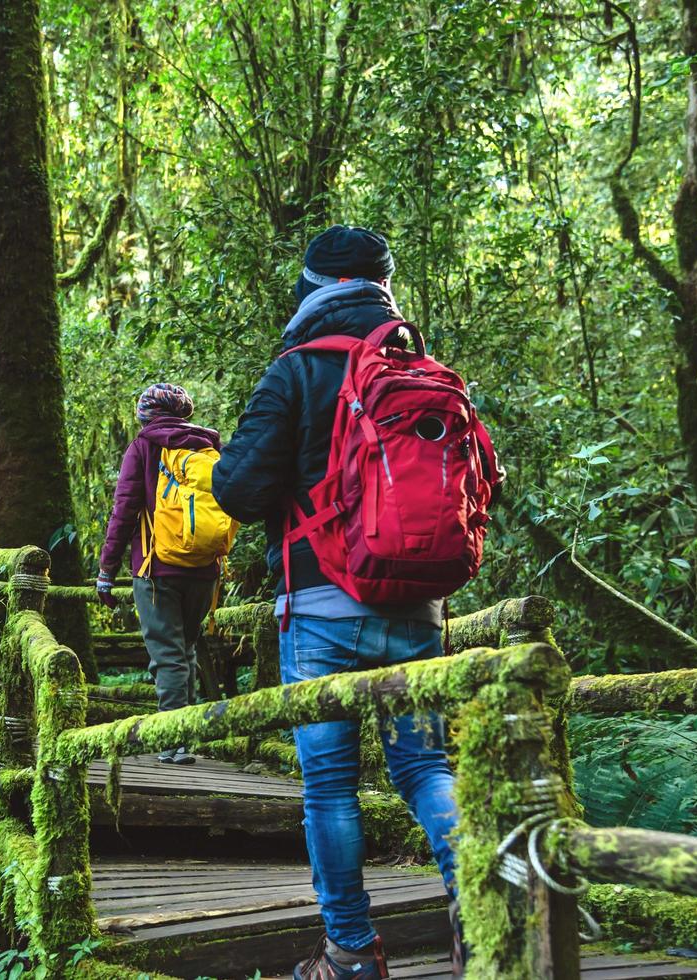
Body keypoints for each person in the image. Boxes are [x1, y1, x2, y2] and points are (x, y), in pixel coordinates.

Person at [212, 226, 502, 979]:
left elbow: (239, 492)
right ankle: (487, 914)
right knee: (424, 768)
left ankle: (349, 955)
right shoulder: (424, 371)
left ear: (312, 286)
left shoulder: (297, 370)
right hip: (417, 612)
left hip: (319, 614)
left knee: (331, 787)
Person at [96, 384, 227, 765]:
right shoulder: (207, 447)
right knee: (184, 651)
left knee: (169, 656)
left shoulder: (144, 447)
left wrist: (107, 568)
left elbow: (124, 511)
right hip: (204, 570)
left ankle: (173, 740)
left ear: (146, 415)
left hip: (156, 570)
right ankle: (184, 735)